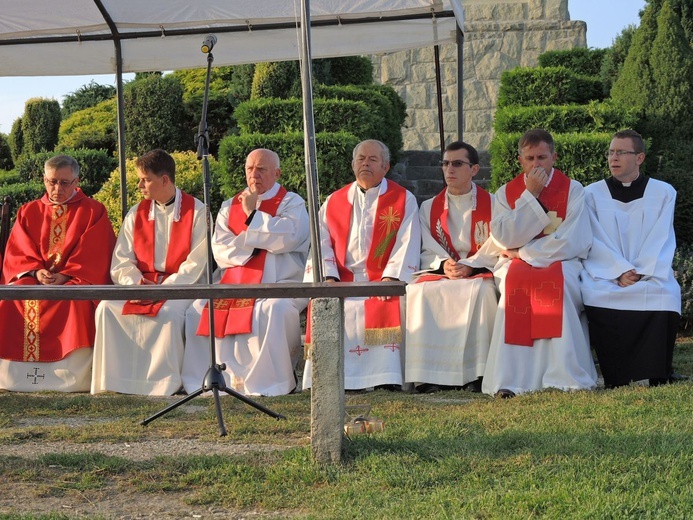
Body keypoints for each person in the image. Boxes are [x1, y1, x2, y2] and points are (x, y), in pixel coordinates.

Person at [181, 149, 309, 396]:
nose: (254, 175)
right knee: (197, 309)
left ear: (277, 173)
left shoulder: (292, 202)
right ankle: (207, 381)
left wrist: (252, 217)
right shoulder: (230, 206)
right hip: (235, 284)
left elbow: (290, 237)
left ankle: (270, 383)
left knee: (274, 309)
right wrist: (257, 242)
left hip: (280, 283)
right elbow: (220, 250)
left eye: (261, 169)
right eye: (250, 169)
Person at [481, 129, 597, 397]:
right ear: (520, 160)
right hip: (519, 264)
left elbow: (573, 240)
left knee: (561, 283)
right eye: (530, 158)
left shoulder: (574, 190)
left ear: (554, 157)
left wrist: (524, 254)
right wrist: (529, 195)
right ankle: (512, 378)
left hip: (561, 261)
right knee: (512, 283)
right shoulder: (505, 193)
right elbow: (503, 236)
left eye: (542, 157)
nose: (536, 164)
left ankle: (564, 375)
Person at [302, 139, 421, 391]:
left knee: (397, 300)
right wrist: (329, 277)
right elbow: (320, 242)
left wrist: (391, 277)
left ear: (386, 166)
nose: (365, 163)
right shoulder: (334, 201)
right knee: (324, 301)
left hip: (382, 278)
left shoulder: (402, 199)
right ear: (353, 164)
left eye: (372, 159)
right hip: (342, 279)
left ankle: (386, 378)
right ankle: (329, 378)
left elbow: (407, 241)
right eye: (360, 159)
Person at [91, 149, 207, 396]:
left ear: (165, 179)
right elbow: (121, 259)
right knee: (106, 309)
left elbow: (197, 262)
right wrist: (137, 283)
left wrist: (164, 289)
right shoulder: (136, 213)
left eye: (145, 179)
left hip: (181, 286)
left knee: (168, 315)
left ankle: (163, 384)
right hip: (142, 284)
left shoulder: (197, 211)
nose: (140, 185)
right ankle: (114, 381)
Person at [0, 155, 115, 392]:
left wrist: (67, 275)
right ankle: (12, 376)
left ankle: (73, 379)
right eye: (52, 182)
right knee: (12, 298)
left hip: (76, 279)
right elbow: (17, 252)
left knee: (76, 301)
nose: (57, 188)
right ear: (44, 180)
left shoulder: (94, 211)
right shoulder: (28, 211)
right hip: (34, 277)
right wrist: (36, 271)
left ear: (76, 181)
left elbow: (96, 251)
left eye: (64, 182)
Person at [581, 130, 682, 388]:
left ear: (639, 157)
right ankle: (617, 375)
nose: (613, 158)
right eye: (611, 152)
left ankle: (657, 373)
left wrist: (640, 272)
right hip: (607, 275)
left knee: (666, 292)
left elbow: (661, 236)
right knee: (598, 293)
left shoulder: (663, 192)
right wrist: (618, 271)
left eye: (621, 152)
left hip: (649, 272)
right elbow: (594, 238)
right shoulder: (591, 194)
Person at [405, 141, 498, 393]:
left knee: (485, 293)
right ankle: (429, 375)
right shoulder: (428, 207)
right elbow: (426, 245)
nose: (450, 169)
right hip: (444, 272)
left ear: (474, 169)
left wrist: (471, 265)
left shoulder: (495, 204)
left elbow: (497, 243)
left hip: (478, 271)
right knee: (421, 293)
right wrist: (444, 264)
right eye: (445, 163)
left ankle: (478, 373)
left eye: (457, 164)